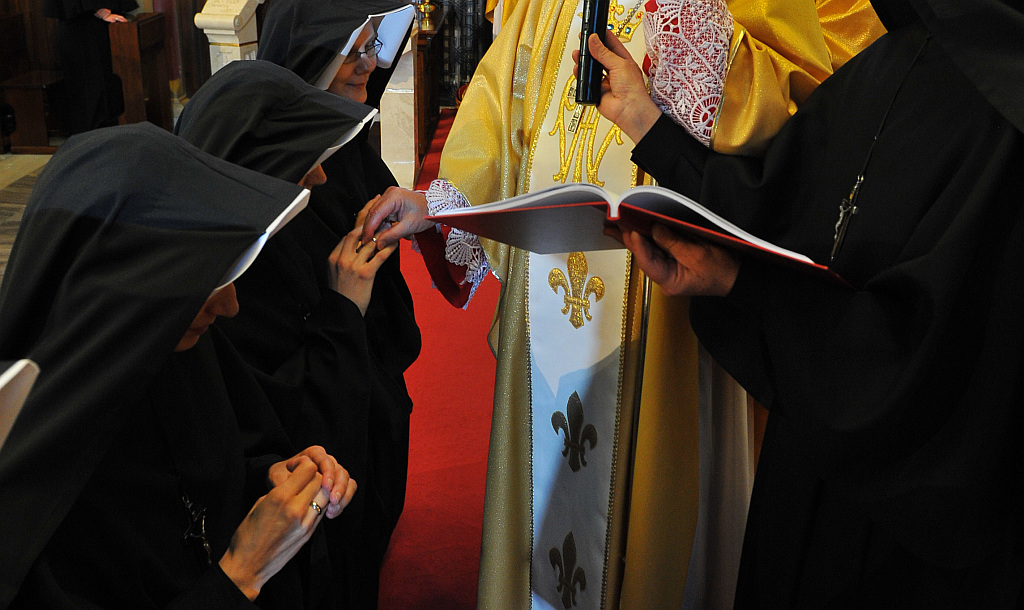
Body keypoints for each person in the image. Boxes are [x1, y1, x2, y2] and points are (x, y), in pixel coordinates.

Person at [359, 0, 885, 606]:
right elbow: (503, 107)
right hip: (547, 297)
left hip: (675, 310)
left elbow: (814, 107)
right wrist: (440, 204)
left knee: (661, 517)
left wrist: (692, 35)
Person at [585, 0, 1024, 604]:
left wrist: (740, 282)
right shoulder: (911, 53)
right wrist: (649, 127)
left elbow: (915, 369)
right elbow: (781, 202)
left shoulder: (990, 100)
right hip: (823, 465)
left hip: (913, 530)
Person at [0, 122, 357, 609]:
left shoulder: (183, 349)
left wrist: (273, 476)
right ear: (128, 284)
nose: (231, 306)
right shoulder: (30, 484)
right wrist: (239, 574)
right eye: (204, 282)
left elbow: (206, 479)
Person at [174, 58, 402, 609]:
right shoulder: (208, 298)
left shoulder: (276, 241)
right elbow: (270, 415)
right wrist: (342, 311)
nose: (321, 177)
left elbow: (242, 446)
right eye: (306, 159)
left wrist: (276, 470)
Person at [42, 0, 136, 134]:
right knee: (90, 90)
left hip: (94, 23)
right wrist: (98, 9)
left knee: (104, 87)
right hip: (82, 26)